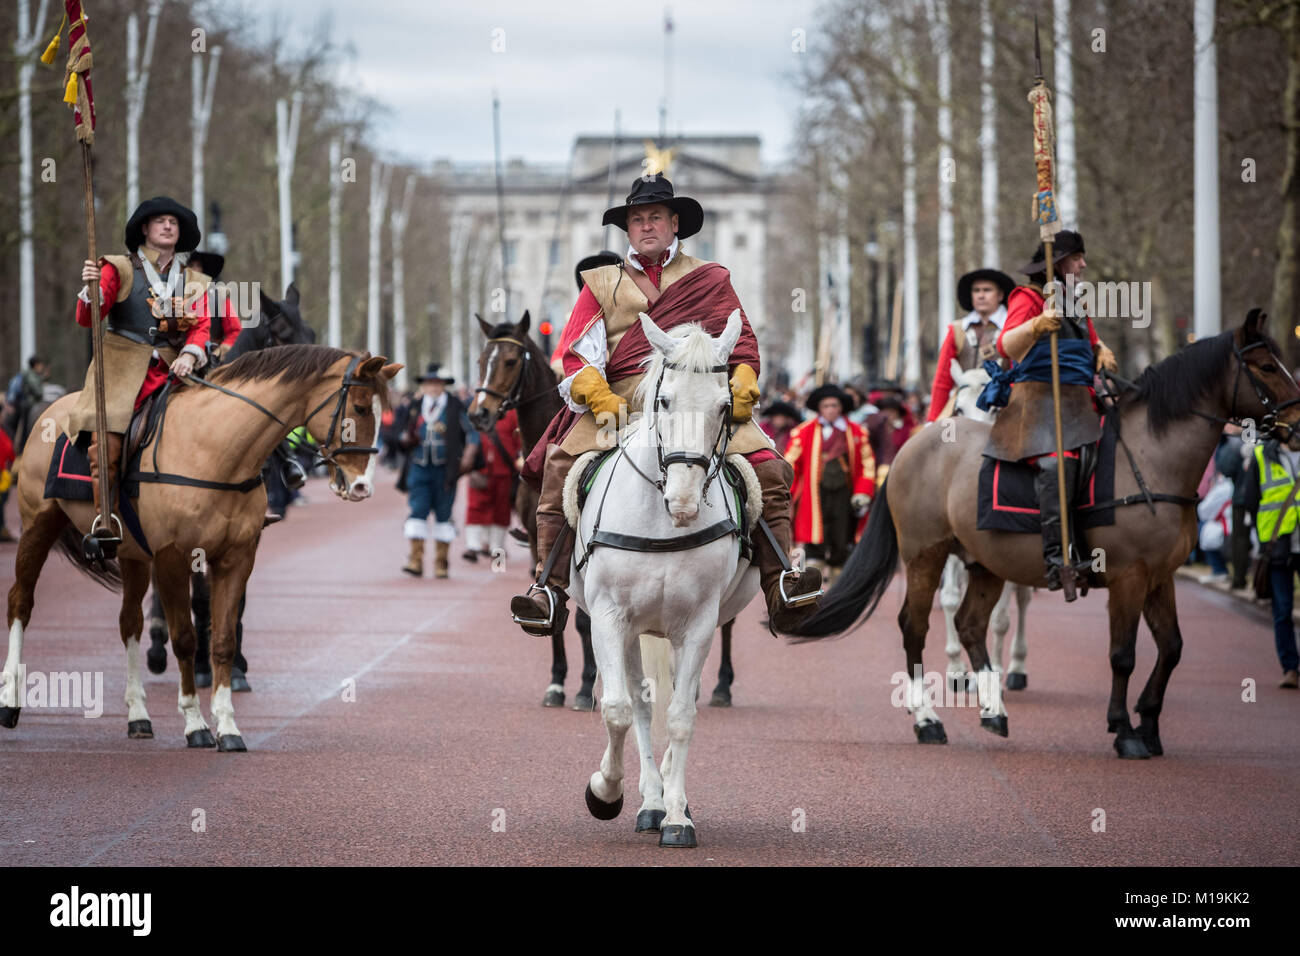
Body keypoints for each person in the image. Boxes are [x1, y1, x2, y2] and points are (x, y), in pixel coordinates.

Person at [511, 173, 822, 636]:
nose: (646, 226)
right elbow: (575, 355)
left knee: (770, 468)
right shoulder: (600, 282)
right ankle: (550, 588)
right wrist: (599, 397)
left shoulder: (710, 278)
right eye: (637, 219)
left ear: (675, 223)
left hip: (696, 401)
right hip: (619, 405)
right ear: (627, 229)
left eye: (655, 217)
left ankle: (782, 581)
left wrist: (740, 387)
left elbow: (743, 347)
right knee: (560, 469)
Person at [71, 197, 213, 557]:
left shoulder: (194, 280)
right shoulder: (116, 267)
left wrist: (189, 354)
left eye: (174, 223)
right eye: (160, 221)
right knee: (110, 443)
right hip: (120, 370)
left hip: (172, 370)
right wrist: (90, 290)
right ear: (145, 230)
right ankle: (105, 521)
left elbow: (201, 328)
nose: (168, 226)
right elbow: (89, 318)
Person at [983, 230, 1117, 595]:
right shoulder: (1026, 296)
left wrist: (1101, 348)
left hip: (1080, 396)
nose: (1083, 264)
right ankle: (1059, 560)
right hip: (1039, 397)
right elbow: (1005, 344)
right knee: (1058, 461)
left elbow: (1089, 337)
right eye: (1076, 258)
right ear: (1058, 263)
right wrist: (1037, 323)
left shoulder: (1075, 299)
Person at [785, 384, 875, 582]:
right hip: (814, 496)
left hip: (845, 495)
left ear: (841, 407)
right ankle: (811, 587)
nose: (831, 410)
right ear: (819, 409)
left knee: (841, 541)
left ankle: (837, 589)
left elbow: (867, 466)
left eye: (834, 405)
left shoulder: (858, 433)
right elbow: (789, 465)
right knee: (814, 542)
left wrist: (863, 492)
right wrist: (786, 493)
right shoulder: (803, 432)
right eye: (826, 406)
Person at [400, 363, 479, 579]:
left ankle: (441, 564)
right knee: (417, 511)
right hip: (419, 467)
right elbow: (401, 431)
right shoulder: (415, 406)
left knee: (444, 515)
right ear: (424, 386)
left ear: (443, 386)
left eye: (437, 383)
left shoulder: (455, 405)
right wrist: (405, 439)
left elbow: (472, 432)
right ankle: (415, 560)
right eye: (429, 383)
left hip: (445, 470)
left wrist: (470, 453)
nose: (433, 387)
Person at [1242, 435, 1300, 688]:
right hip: (1278, 546)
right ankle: (1290, 668)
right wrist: (1266, 538)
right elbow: (1251, 501)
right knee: (1282, 610)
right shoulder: (1261, 455)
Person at [927, 268, 1015, 421]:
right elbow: (942, 380)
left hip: (1003, 402)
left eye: (987, 290)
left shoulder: (1013, 327)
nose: (981, 295)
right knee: (941, 439)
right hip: (964, 401)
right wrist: (933, 419)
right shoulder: (957, 330)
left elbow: (1018, 372)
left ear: (1000, 295)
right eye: (976, 290)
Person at [464, 407, 522, 562]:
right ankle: (473, 545)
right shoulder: (475, 411)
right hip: (480, 470)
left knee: (501, 510)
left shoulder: (511, 414)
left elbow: (518, 440)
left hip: (503, 470)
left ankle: (496, 547)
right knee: (475, 507)